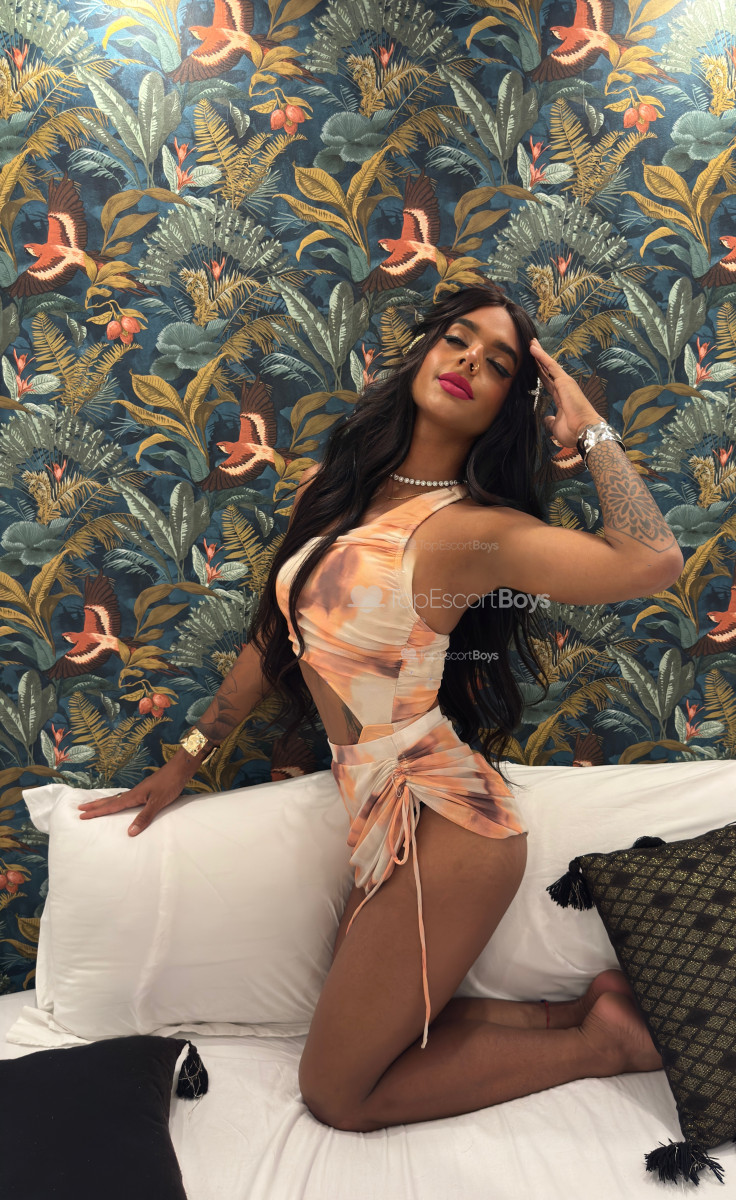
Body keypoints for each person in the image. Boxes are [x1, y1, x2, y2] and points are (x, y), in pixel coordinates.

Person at [77, 282, 683, 1133]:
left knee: (337, 1094)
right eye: (458, 338)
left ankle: (604, 1047)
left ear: (508, 404)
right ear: (425, 351)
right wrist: (188, 760)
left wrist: (588, 428)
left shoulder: (472, 531)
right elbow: (274, 635)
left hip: (449, 823)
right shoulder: (337, 490)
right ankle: (584, 1016)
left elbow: (653, 561)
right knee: (360, 1031)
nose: (469, 360)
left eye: (498, 363)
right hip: (377, 813)